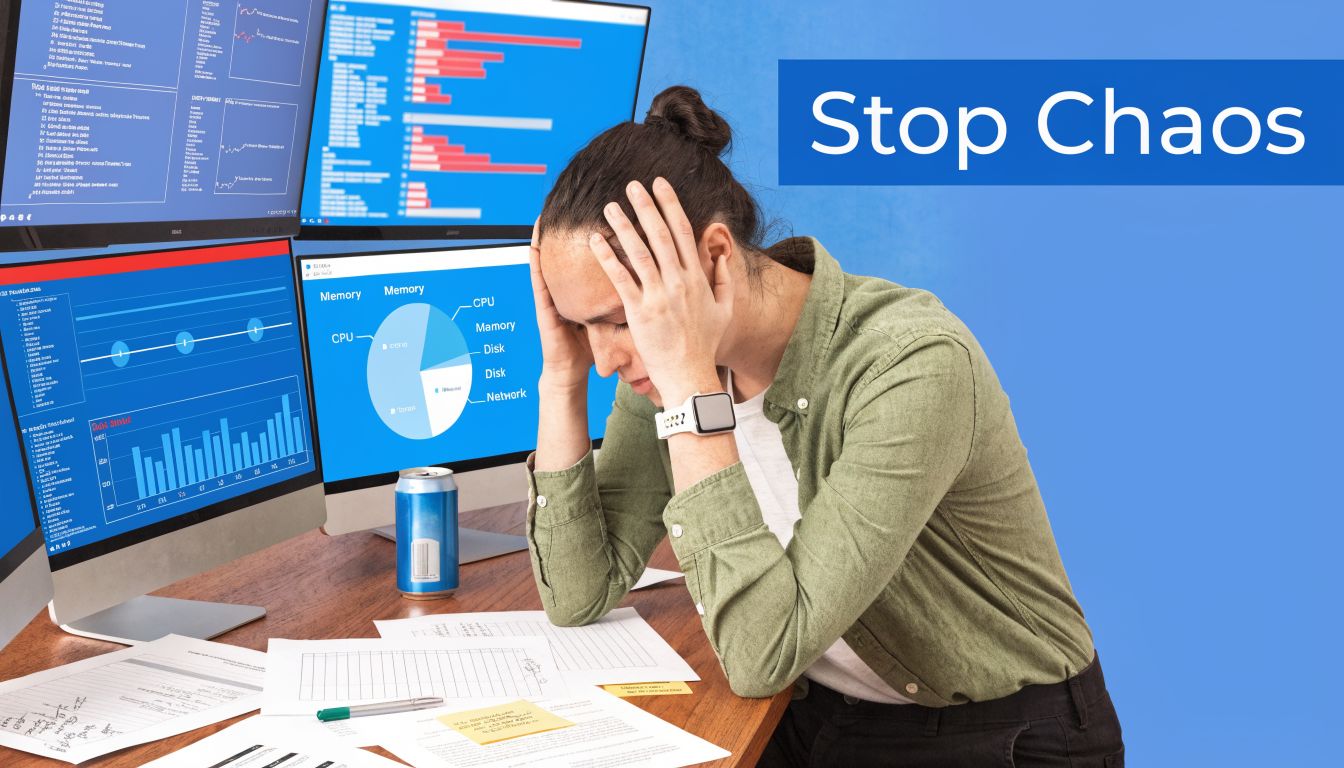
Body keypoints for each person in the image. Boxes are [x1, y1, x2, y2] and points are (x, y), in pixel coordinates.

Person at [524, 85, 1124, 767]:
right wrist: (560, 381)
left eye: (618, 319)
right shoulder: (658, 369)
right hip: (817, 713)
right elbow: (577, 594)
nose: (604, 359)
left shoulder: (912, 364)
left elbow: (758, 656)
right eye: (582, 327)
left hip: (1003, 732)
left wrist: (690, 390)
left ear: (715, 258)